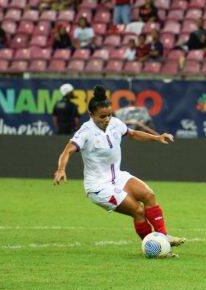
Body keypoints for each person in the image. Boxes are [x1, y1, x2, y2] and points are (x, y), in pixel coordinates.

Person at [53, 85, 184, 247]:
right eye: (102, 116)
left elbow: (133, 133)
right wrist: (61, 169)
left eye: (109, 114)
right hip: (99, 187)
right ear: (91, 114)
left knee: (149, 195)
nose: (106, 119)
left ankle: (163, 236)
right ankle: (154, 246)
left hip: (118, 177)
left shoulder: (115, 123)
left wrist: (156, 138)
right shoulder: (85, 131)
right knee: (138, 211)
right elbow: (67, 151)